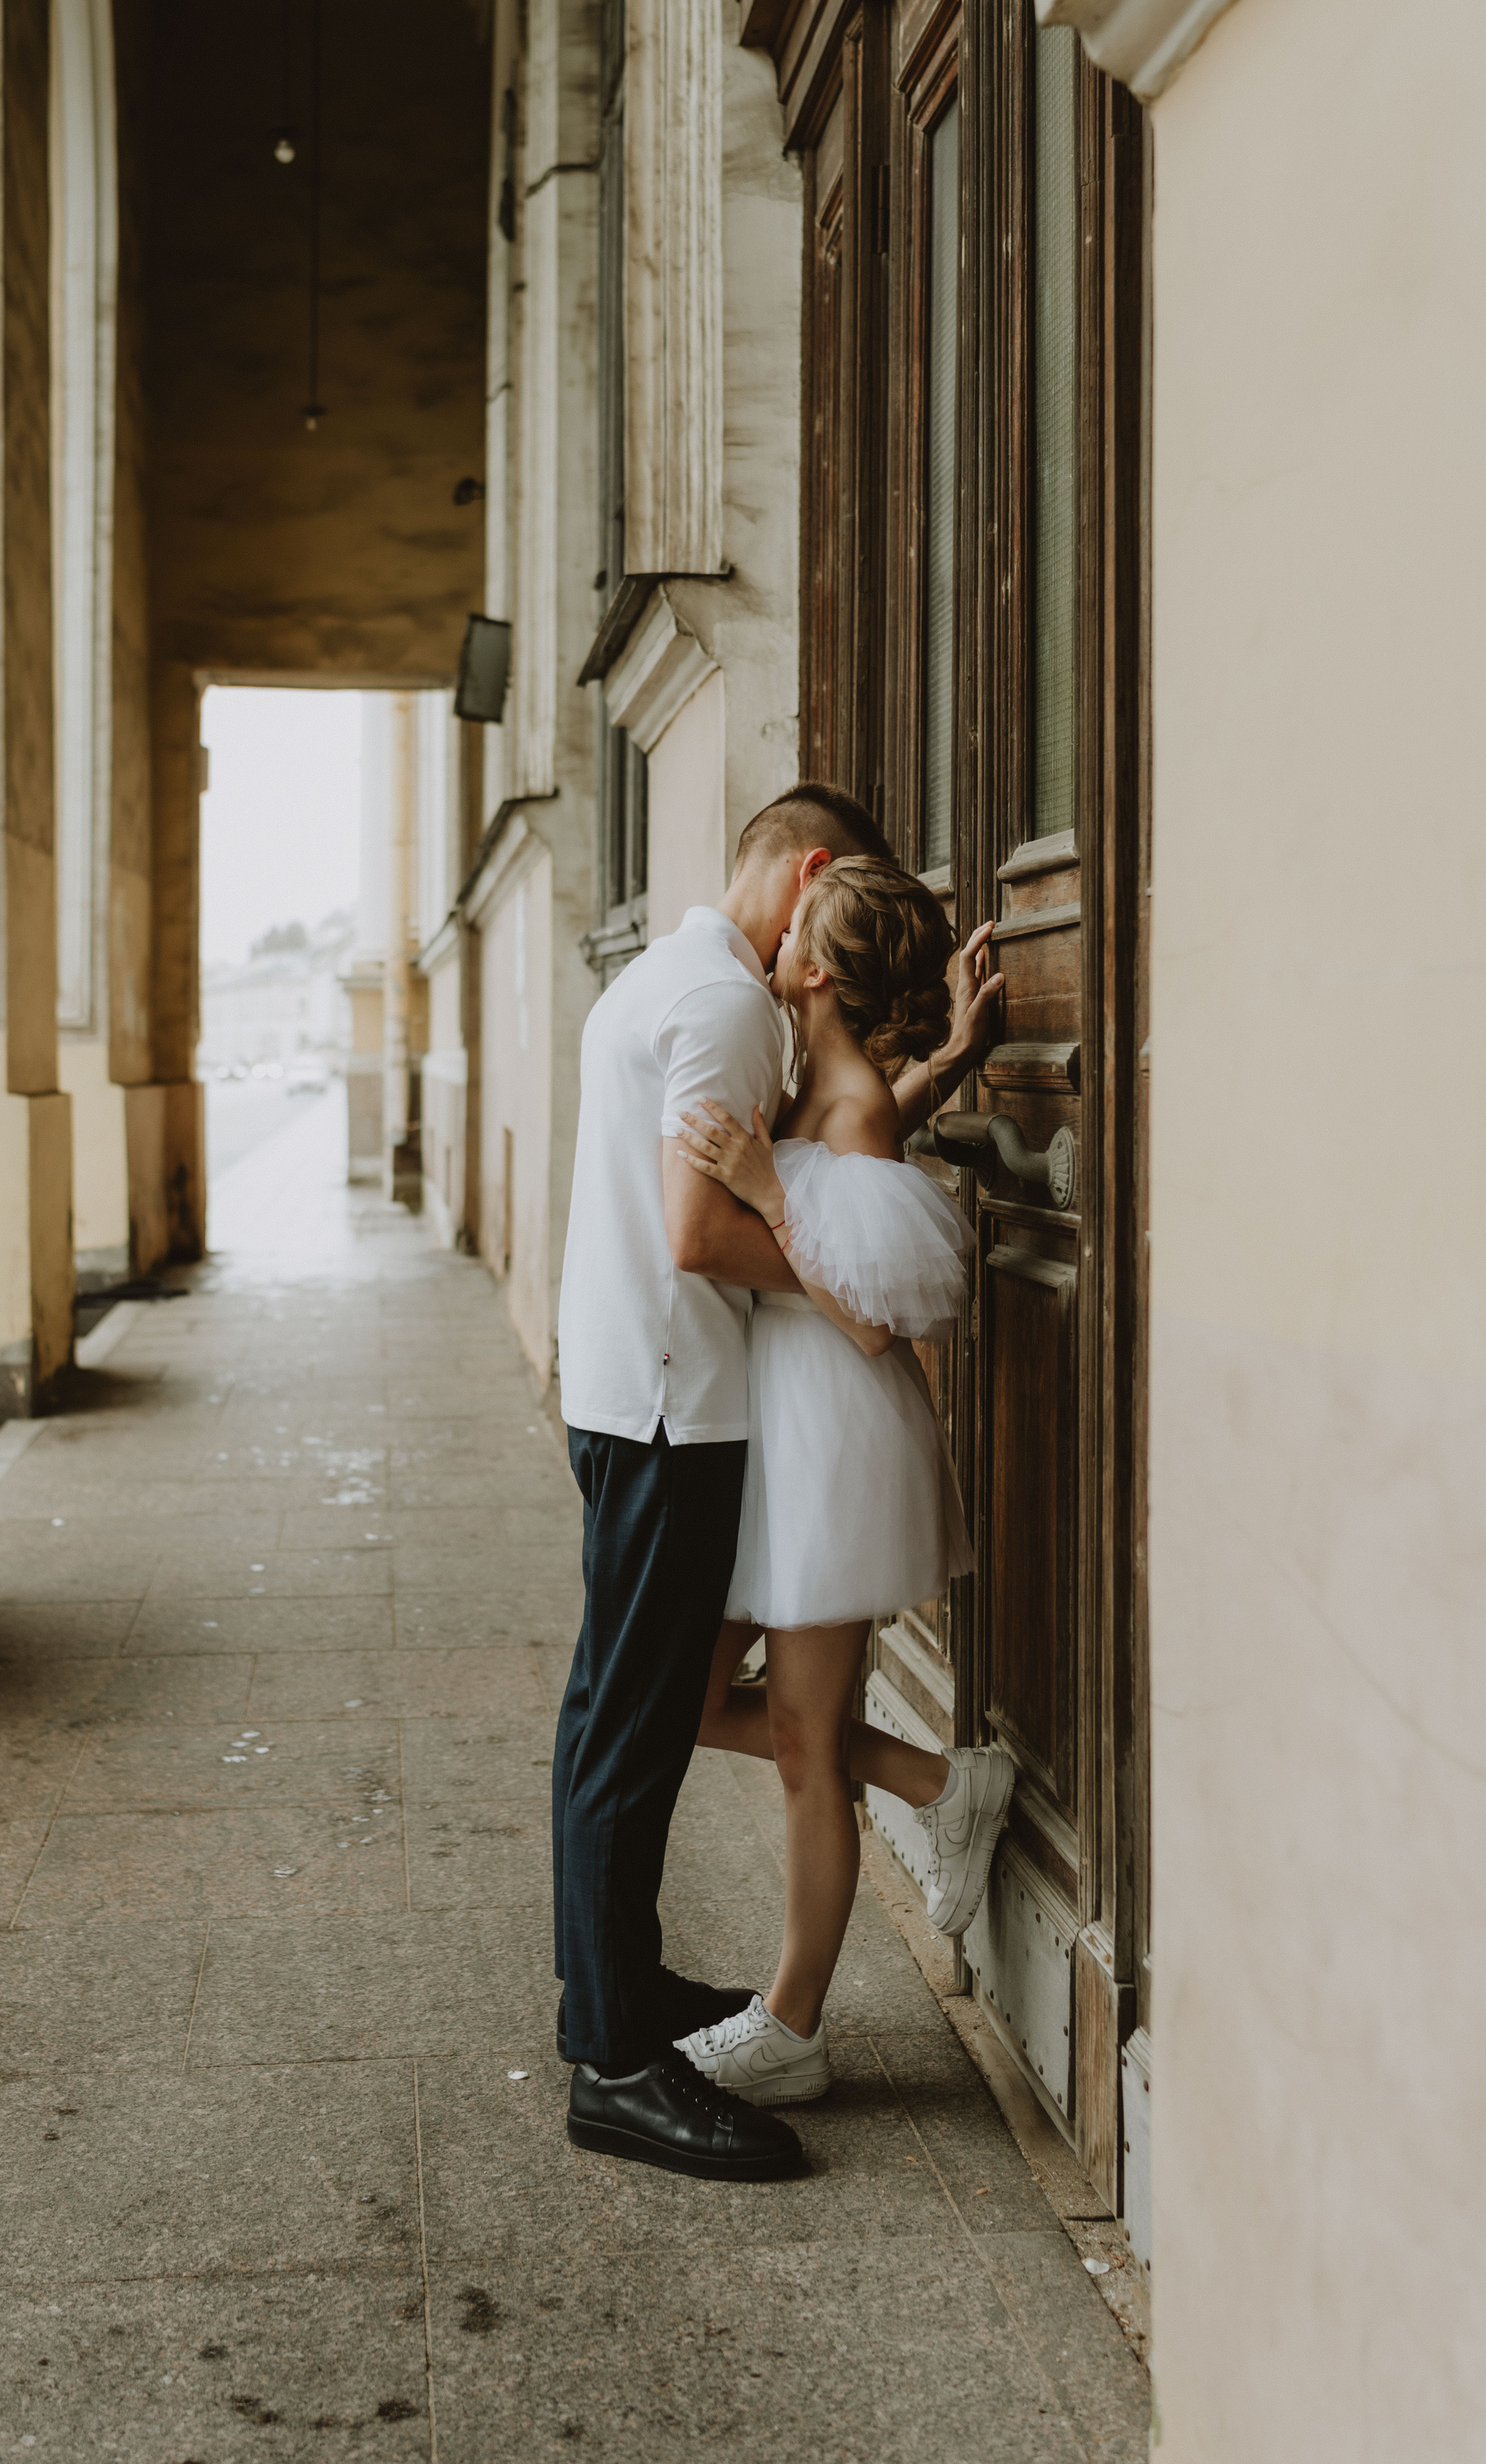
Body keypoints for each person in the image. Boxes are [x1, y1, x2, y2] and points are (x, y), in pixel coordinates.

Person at [552, 783, 1000, 2181]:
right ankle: (621, 2045)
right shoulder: (736, 1008)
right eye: (839, 903)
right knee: (646, 1727)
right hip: (685, 1410)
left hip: (716, 1416)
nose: (822, 939)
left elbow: (838, 1195)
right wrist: (790, 1177)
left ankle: (654, 2021)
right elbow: (729, 1223)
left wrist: (891, 1107)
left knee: (688, 1728)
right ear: (811, 879)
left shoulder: (679, 985)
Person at [670, 855, 1016, 2106]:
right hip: (787, 1431)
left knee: (810, 1745)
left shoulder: (848, 1096)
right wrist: (958, 1063)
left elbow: (875, 1322)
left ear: (816, 969)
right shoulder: (831, 1080)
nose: (770, 935)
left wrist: (761, 1188)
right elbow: (858, 1152)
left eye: (793, 929)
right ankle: (943, 1782)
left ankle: (793, 2024)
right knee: (701, 1699)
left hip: (833, 1436)